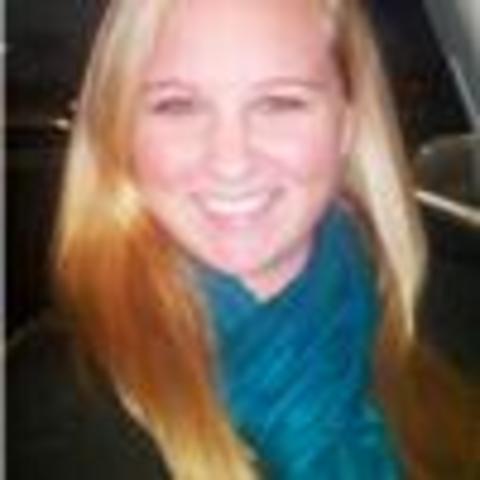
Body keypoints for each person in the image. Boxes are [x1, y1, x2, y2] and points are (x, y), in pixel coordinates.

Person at [8, 0, 476, 479]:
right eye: (178, 106)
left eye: (279, 103)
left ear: (347, 124)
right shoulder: (49, 403)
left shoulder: (454, 314)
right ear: (120, 132)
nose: (231, 162)